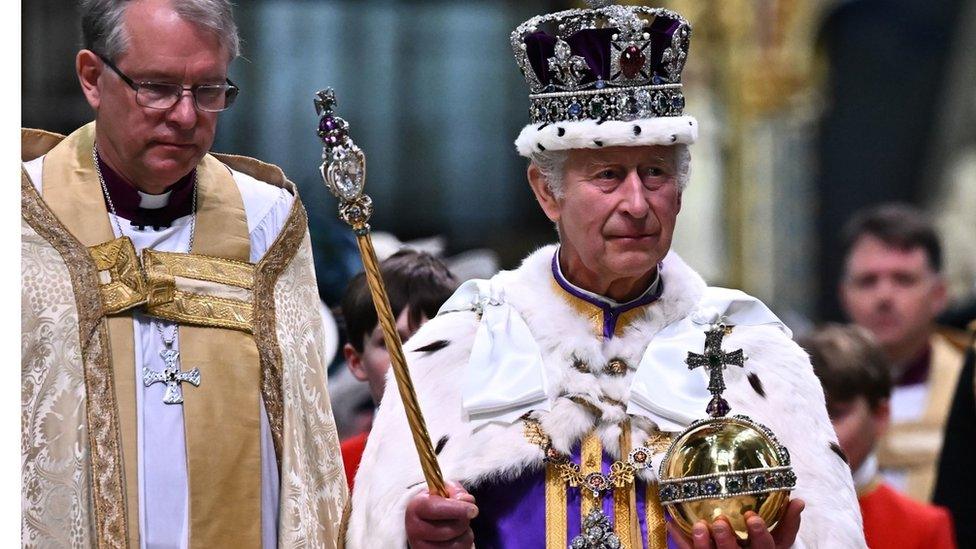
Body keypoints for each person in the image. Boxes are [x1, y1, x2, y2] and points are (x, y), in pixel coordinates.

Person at [346, 3, 863, 547]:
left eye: (656, 173)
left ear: (681, 191)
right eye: (609, 175)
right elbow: (375, 530)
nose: (637, 204)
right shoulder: (460, 348)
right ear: (547, 192)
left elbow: (830, 534)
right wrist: (416, 537)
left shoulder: (754, 353)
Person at [21, 1, 345, 547]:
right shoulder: (24, 222)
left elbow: (308, 458)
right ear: (92, 78)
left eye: (210, 91)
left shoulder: (268, 223)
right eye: (159, 87)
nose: (187, 116)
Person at [839, 203, 965, 502]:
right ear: (845, 295)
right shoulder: (811, 384)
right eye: (868, 281)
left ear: (939, 295)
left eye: (903, 280)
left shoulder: (968, 378)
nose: (884, 296)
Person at [800, 324, 956, 549]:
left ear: (880, 415)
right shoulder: (766, 515)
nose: (819, 431)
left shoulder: (924, 526)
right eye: (808, 413)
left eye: (836, 414)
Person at [339, 249, 458, 490]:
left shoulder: (494, 460)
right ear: (356, 361)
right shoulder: (337, 471)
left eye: (431, 338)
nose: (412, 358)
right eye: (391, 342)